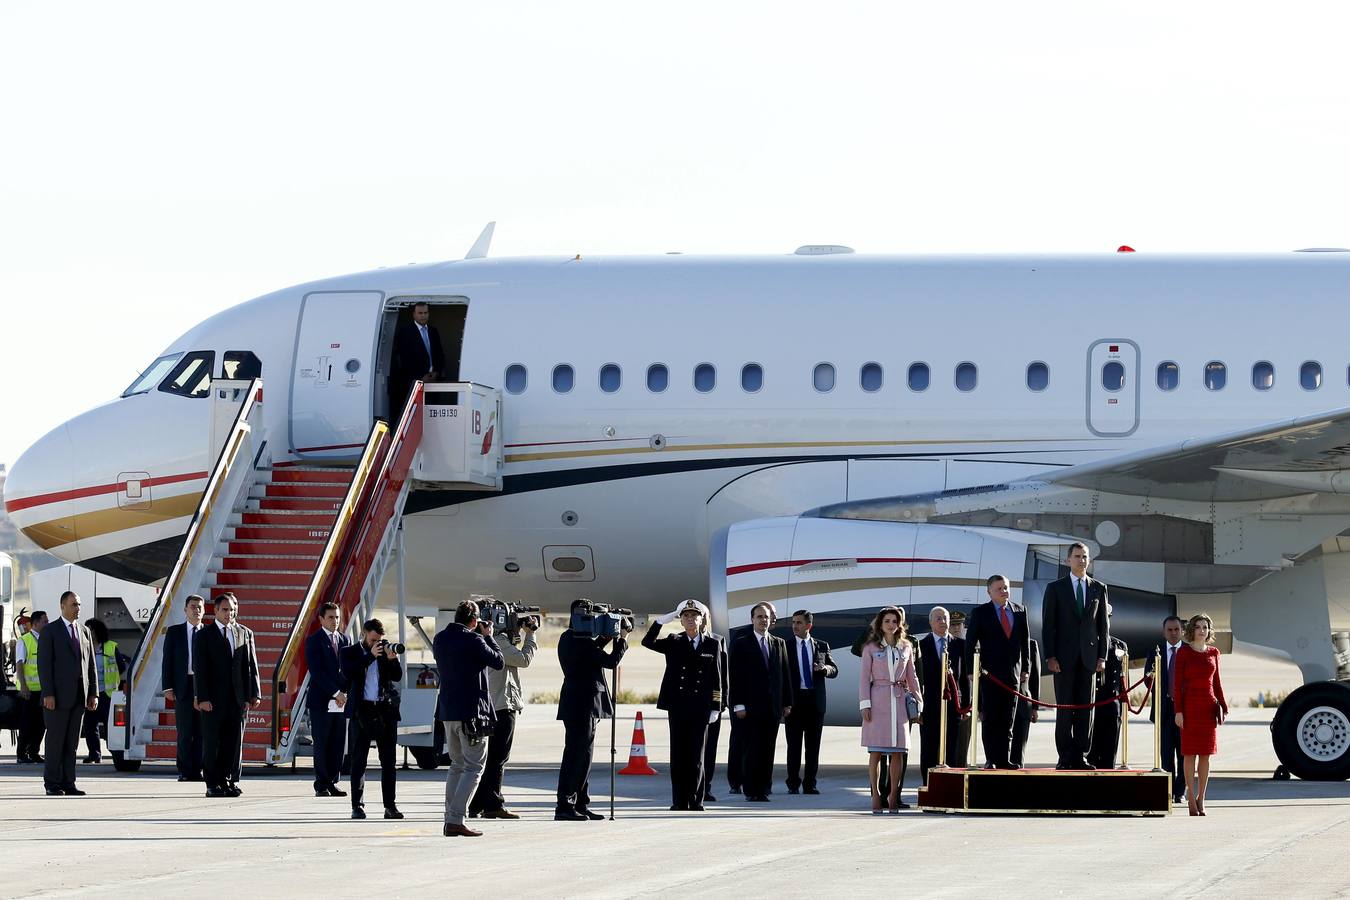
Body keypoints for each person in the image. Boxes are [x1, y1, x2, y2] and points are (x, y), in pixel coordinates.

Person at [643, 599, 725, 811]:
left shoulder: (712, 643)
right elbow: (647, 642)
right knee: (679, 755)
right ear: (680, 620)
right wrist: (660, 622)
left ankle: (696, 800)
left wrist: (716, 706)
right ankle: (679, 800)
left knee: (697, 756)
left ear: (701, 619)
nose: (690, 619)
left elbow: (717, 677)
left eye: (694, 615)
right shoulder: (674, 640)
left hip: (700, 707)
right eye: (686, 616)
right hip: (678, 705)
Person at [434, 600, 504, 837]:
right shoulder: (474, 640)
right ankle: (455, 819)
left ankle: (450, 818)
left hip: (448, 712)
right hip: (471, 715)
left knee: (456, 765)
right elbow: (498, 661)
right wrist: (489, 636)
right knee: (474, 766)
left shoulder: (440, 639)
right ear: (474, 621)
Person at [555, 598, 630, 820]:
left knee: (584, 756)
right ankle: (565, 805)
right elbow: (610, 661)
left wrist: (605, 638)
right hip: (582, 704)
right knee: (576, 756)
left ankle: (580, 802)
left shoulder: (569, 638)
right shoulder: (580, 641)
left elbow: (592, 654)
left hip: (580, 704)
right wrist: (622, 639)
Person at [1041, 542, 1110, 770]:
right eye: (1077, 556)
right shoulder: (1055, 588)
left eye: (1085, 557)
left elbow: (1103, 627)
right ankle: (1065, 756)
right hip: (1063, 659)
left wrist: (1102, 657)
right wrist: (1050, 656)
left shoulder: (1098, 588)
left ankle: (1081, 755)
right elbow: (1048, 625)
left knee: (1086, 710)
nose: (1082, 560)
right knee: (1064, 709)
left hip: (1089, 659)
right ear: (1068, 560)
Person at [469, 609, 538, 820]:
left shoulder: (482, 640)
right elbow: (524, 660)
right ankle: (493, 805)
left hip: (492, 704)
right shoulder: (498, 641)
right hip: (502, 705)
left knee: (492, 758)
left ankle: (477, 804)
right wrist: (530, 635)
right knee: (498, 758)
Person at [193, 593, 262, 798]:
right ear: (215, 611)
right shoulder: (204, 635)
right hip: (213, 700)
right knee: (212, 742)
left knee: (232, 743)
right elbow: (200, 668)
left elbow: (250, 665)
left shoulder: (243, 633)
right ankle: (212, 783)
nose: (229, 613)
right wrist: (202, 697)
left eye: (231, 610)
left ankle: (227, 780)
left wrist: (254, 693)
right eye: (225, 610)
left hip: (237, 699)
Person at [964, 575, 1031, 770]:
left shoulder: (1019, 611)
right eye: (999, 589)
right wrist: (970, 670)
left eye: (1006, 588)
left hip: (1013, 675)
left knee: (1008, 719)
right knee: (991, 718)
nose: (1004, 591)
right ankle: (991, 758)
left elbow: (1025, 642)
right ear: (989, 592)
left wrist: (1025, 668)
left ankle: (1004, 758)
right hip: (990, 675)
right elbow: (970, 643)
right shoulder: (981, 612)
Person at [858, 606, 921, 813]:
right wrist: (865, 704)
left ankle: (894, 795)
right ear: (880, 624)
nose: (891, 625)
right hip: (878, 700)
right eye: (887, 621)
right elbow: (864, 678)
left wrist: (919, 702)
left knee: (898, 752)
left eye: (895, 621)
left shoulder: (906, 647)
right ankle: (876, 795)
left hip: (899, 700)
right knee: (875, 751)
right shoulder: (870, 648)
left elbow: (912, 676)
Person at [340, 618, 403, 820]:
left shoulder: (384, 651)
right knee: (359, 760)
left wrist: (392, 659)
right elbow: (349, 673)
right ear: (364, 634)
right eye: (373, 639)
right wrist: (370, 656)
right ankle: (357, 806)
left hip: (385, 710)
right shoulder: (349, 652)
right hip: (362, 711)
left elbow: (397, 676)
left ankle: (390, 806)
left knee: (389, 761)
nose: (376, 643)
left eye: (379, 639)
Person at [728, 602, 791, 803]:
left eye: (766, 617)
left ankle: (764, 788)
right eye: (759, 616)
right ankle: (751, 789)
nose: (763, 620)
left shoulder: (779, 643)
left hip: (772, 707)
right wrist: (738, 704)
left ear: (771, 620)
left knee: (767, 749)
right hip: (749, 707)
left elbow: (785, 675)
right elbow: (735, 676)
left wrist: (787, 702)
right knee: (751, 749)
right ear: (752, 619)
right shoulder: (741, 643)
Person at [37, 592, 98, 795]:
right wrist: (48, 693)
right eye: (73, 604)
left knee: (72, 743)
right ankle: (52, 783)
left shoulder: (84, 631)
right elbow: (44, 665)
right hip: (56, 697)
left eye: (79, 604)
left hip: (79, 696)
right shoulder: (50, 631)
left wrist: (93, 693)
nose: (78, 608)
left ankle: (68, 782)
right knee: (55, 741)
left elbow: (90, 665)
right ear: (62, 606)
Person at [1174, 613, 1228, 816]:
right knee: (1189, 754)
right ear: (1192, 630)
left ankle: (1201, 798)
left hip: (1208, 708)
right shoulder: (1183, 652)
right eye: (1198, 627)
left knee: (1206, 755)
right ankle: (1190, 796)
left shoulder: (1214, 652)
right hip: (1189, 708)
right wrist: (1178, 711)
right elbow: (1177, 685)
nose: (1202, 630)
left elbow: (1217, 682)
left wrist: (1223, 705)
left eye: (1205, 627)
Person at [784, 609, 837, 795]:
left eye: (799, 622)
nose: (795, 626)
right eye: (793, 622)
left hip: (815, 702)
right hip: (794, 702)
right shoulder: (786, 646)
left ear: (809, 625)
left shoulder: (821, 646)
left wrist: (825, 669)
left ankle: (810, 784)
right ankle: (792, 783)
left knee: (813, 747)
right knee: (794, 746)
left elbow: (834, 669)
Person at [303, 602, 350, 798]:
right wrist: (336, 692)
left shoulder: (345, 639)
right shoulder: (314, 640)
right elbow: (317, 672)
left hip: (340, 702)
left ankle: (333, 781)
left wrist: (345, 693)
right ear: (321, 619)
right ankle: (321, 784)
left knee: (337, 743)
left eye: (337, 617)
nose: (335, 621)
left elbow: (347, 669)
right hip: (322, 701)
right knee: (322, 743)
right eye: (331, 617)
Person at [917, 606, 968, 784]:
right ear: (930, 622)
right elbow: (916, 679)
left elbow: (965, 679)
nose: (943, 622)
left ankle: (952, 787)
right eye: (938, 618)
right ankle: (929, 786)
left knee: (953, 748)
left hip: (954, 706)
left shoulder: (960, 645)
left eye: (945, 618)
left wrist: (966, 706)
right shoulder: (921, 646)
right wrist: (918, 708)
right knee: (929, 749)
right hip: (929, 706)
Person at [161, 594, 206, 782]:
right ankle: (185, 770)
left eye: (200, 607)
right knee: (185, 731)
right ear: (185, 609)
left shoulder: (208, 632)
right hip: (183, 685)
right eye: (193, 606)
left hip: (203, 685)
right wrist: (167, 687)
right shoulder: (175, 632)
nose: (197, 610)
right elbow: (167, 661)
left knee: (202, 731)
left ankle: (199, 769)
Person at [1145, 615, 1187, 804]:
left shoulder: (1188, 651)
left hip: (1184, 710)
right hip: (1164, 710)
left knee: (1184, 753)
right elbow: (1147, 680)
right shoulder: (1156, 652)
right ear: (1163, 632)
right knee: (1166, 754)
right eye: (1169, 630)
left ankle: (1180, 791)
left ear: (1182, 631)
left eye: (1176, 629)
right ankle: (1169, 791)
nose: (1173, 633)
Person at [388, 301, 446, 419]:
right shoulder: (405, 332)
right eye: (420, 313)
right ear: (414, 314)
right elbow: (404, 359)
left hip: (433, 381)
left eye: (425, 313)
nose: (423, 316)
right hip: (413, 383)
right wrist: (420, 377)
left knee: (431, 416)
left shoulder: (433, 331)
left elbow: (439, 354)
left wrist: (437, 373)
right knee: (416, 416)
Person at [81, 617, 126, 764]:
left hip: (108, 694)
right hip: (90, 693)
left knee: (110, 726)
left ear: (97, 631)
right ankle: (94, 754)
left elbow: (121, 667)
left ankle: (115, 753)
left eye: (90, 629)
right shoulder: (84, 647)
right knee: (90, 725)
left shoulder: (111, 647)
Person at [1088, 634, 1130, 770]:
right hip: (1092, 703)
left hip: (1113, 703)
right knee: (1092, 753)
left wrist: (1125, 702)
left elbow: (1123, 677)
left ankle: (1108, 778)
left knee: (1110, 752)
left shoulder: (1120, 645)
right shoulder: (1087, 642)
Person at [700, 621, 729, 804]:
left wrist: (721, 702)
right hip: (690, 705)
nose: (701, 620)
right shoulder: (680, 639)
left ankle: (706, 787)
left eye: (704, 616)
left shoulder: (717, 640)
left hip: (711, 705)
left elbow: (722, 673)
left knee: (710, 749)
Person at [15, 609, 48, 764]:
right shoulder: (25, 640)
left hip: (43, 690)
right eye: (44, 621)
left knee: (41, 724)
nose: (47, 624)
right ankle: (21, 754)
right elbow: (19, 664)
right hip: (28, 691)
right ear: (35, 623)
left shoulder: (46, 639)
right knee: (27, 724)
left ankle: (34, 752)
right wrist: (23, 686)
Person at [1011, 638, 1042, 769]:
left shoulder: (1031, 645)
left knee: (1019, 751)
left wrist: (1035, 707)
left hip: (1023, 704)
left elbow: (1035, 677)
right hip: (1002, 703)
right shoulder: (997, 640)